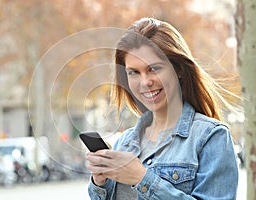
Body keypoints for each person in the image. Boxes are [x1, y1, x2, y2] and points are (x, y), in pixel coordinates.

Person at [85, 17, 239, 200]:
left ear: (179, 70)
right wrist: (99, 183)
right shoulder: (124, 143)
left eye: (154, 69)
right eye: (133, 72)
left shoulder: (211, 137)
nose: (145, 82)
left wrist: (141, 178)